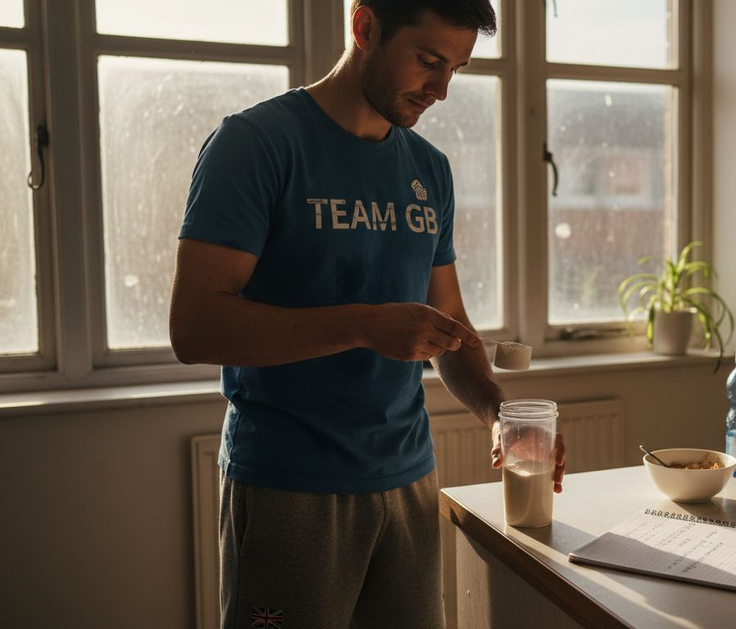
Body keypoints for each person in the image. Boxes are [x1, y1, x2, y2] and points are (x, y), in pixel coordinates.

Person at [169, 1, 566, 627]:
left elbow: (449, 321)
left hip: (408, 482)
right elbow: (195, 328)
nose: (440, 91)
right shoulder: (255, 143)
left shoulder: (428, 169)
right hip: (287, 487)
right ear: (365, 26)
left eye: (456, 69)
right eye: (428, 62)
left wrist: (496, 410)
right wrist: (359, 324)